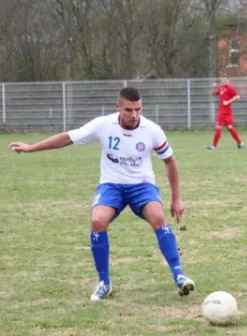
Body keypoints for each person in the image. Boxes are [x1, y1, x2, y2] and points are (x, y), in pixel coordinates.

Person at [8, 87, 195, 301]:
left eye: (138, 110)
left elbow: (170, 161)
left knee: (159, 218)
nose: (134, 115)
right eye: (128, 110)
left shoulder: (152, 130)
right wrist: (32, 148)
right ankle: (104, 283)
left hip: (141, 185)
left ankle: (179, 276)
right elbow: (68, 138)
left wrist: (176, 198)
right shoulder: (103, 125)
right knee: (97, 221)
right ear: (118, 107)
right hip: (111, 185)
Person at [206, 77, 244, 149]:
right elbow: (214, 94)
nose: (222, 81)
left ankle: (214, 146)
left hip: (226, 112)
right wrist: (214, 88)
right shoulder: (221, 87)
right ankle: (240, 143)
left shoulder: (230, 88)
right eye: (222, 80)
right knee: (229, 127)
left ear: (227, 81)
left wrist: (228, 102)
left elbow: (237, 96)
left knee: (220, 127)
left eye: (224, 80)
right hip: (222, 111)